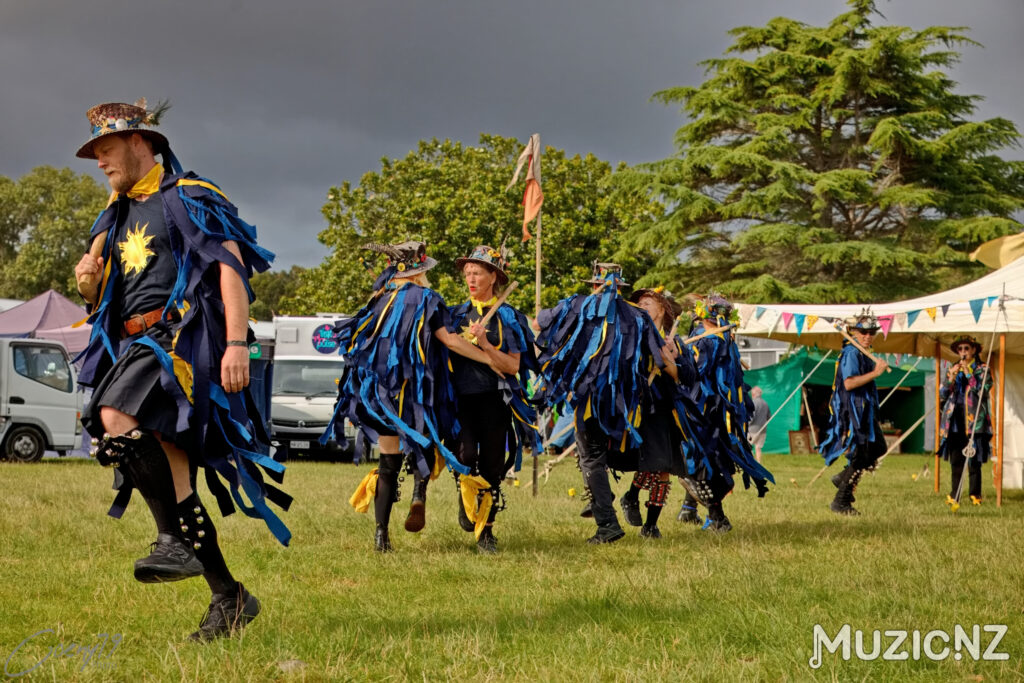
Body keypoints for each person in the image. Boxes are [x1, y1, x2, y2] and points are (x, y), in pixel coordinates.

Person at [73, 99, 289, 641]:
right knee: (175, 481)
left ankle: (171, 540)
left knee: (113, 415)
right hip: (134, 343)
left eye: (106, 149)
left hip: (181, 341)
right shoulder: (113, 215)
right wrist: (87, 285)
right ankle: (229, 596)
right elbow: (103, 297)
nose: (100, 162)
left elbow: (230, 271)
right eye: (95, 153)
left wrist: (236, 344)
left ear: (140, 142)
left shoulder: (191, 196)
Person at [322, 241, 497, 552]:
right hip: (416, 393)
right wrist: (488, 358)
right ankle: (419, 492)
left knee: (388, 462)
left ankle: (381, 536)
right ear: (419, 273)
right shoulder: (428, 299)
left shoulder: (379, 300)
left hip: (380, 395)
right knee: (424, 438)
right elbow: (450, 341)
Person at [534, 262, 669, 544]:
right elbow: (657, 356)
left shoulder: (576, 306)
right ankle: (614, 503)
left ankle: (607, 524)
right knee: (600, 455)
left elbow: (539, 325)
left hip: (589, 397)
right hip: (625, 402)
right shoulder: (638, 316)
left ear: (595, 284)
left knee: (592, 457)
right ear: (619, 287)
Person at [448, 243, 540, 553]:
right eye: (467, 273)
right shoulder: (455, 315)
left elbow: (512, 366)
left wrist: (486, 344)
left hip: (495, 400)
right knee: (464, 456)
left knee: (492, 465)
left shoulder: (509, 318)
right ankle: (465, 495)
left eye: (477, 273)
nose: (471, 279)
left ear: (493, 277)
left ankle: (486, 532)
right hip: (461, 399)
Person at [677, 294, 774, 532]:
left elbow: (726, 380)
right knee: (709, 463)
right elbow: (695, 376)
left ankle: (694, 511)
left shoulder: (720, 340)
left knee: (717, 464)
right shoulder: (706, 341)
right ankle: (713, 515)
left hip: (717, 413)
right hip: (705, 411)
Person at [618, 288, 705, 539]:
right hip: (644, 409)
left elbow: (686, 376)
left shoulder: (674, 342)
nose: (642, 304)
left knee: (664, 467)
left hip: (669, 409)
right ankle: (632, 496)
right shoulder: (632, 338)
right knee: (656, 461)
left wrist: (669, 358)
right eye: (639, 302)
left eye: (648, 301)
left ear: (662, 310)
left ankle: (650, 525)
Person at [817, 309, 889, 516]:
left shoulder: (863, 353)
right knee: (861, 454)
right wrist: (875, 373)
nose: (867, 336)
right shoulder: (851, 353)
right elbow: (849, 384)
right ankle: (841, 501)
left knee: (877, 447)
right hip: (853, 412)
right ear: (854, 332)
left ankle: (842, 478)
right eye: (863, 332)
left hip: (865, 409)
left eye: (871, 333)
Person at [938, 335, 993, 506]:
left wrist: (969, 374)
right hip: (955, 420)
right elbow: (942, 394)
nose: (963, 352)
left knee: (974, 459)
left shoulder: (982, 369)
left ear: (974, 350)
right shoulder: (953, 368)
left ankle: (975, 494)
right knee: (956, 459)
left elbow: (983, 390)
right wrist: (950, 378)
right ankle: (955, 494)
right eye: (960, 349)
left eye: (966, 348)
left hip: (974, 420)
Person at [748, 386, 771, 463]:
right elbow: (769, 417)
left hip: (752, 429)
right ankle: (758, 463)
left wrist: (747, 424)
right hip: (763, 429)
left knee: (749, 446)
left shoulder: (753, 403)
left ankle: (751, 462)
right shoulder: (765, 403)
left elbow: (751, 417)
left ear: (753, 394)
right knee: (758, 448)